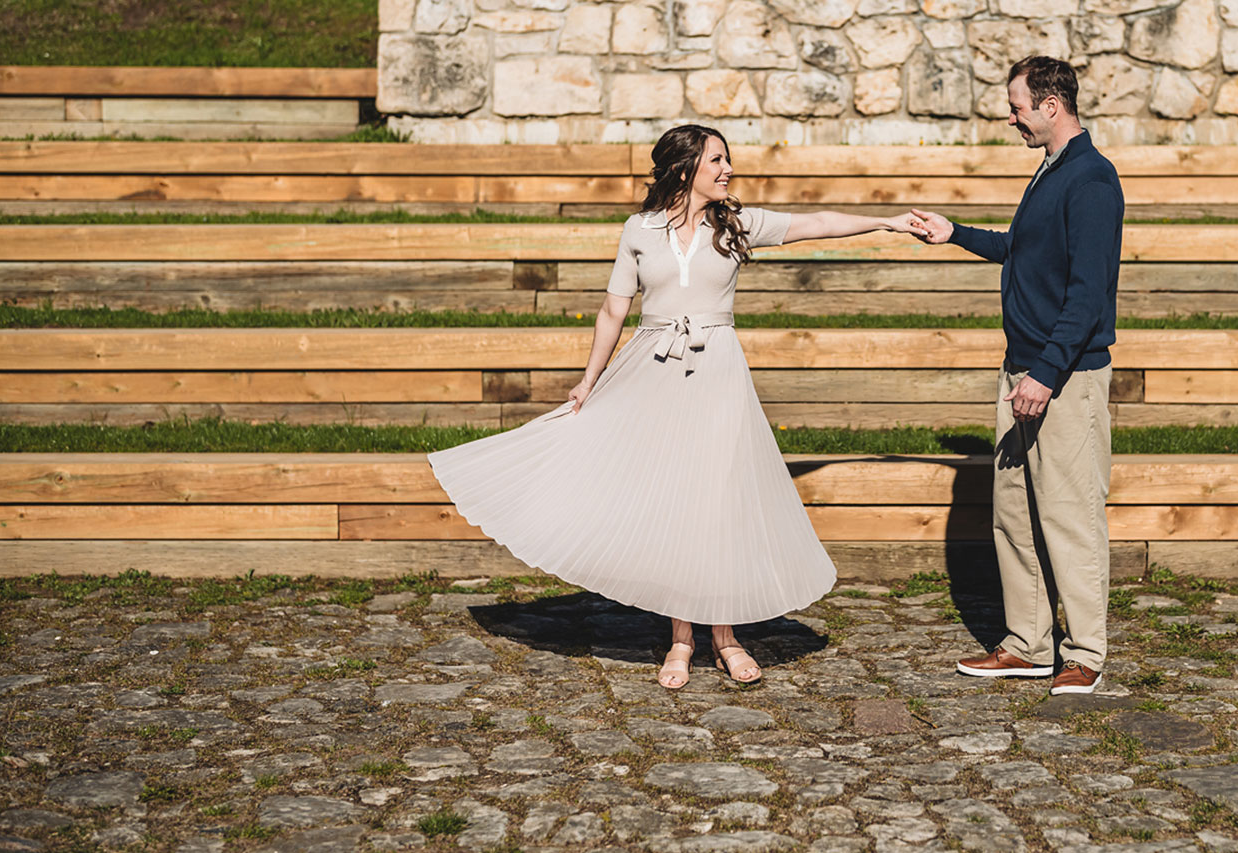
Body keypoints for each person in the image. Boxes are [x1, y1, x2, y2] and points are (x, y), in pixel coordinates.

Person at [428, 123, 921, 690]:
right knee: (675, 498)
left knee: (718, 500)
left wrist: (886, 219)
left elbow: (817, 224)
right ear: (685, 168)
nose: (728, 169)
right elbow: (613, 309)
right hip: (653, 369)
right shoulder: (639, 230)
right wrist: (588, 382)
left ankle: (727, 637)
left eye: (727, 159)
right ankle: (681, 640)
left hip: (718, 373)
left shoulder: (738, 224)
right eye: (717, 160)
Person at [910, 55, 1124, 696]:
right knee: (1016, 516)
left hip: (1062, 378)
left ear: (1051, 106)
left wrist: (1047, 376)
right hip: (1021, 371)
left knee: (1070, 516)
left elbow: (1088, 297)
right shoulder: (1051, 172)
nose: (1012, 118)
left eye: (1018, 107)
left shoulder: (1091, 180)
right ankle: (1026, 644)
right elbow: (1019, 248)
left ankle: (1084, 651)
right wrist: (956, 234)